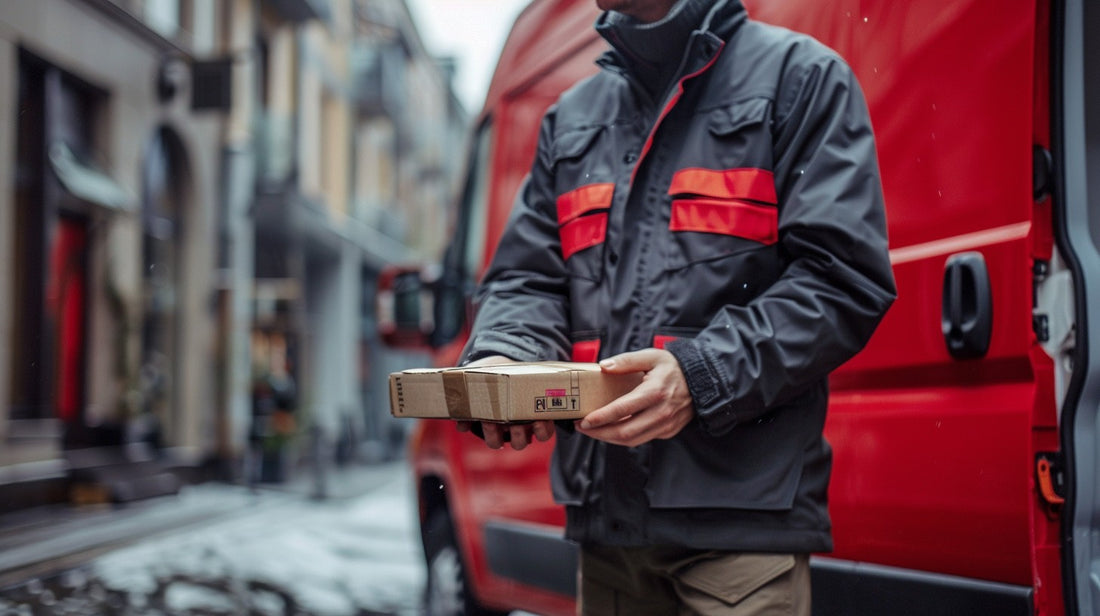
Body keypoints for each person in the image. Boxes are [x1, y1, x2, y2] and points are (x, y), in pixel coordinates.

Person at [458, 0, 897, 613]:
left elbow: (842, 279)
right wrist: (508, 354)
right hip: (606, 527)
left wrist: (701, 375)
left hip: (738, 537)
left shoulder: (801, 78)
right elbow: (526, 279)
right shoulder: (572, 118)